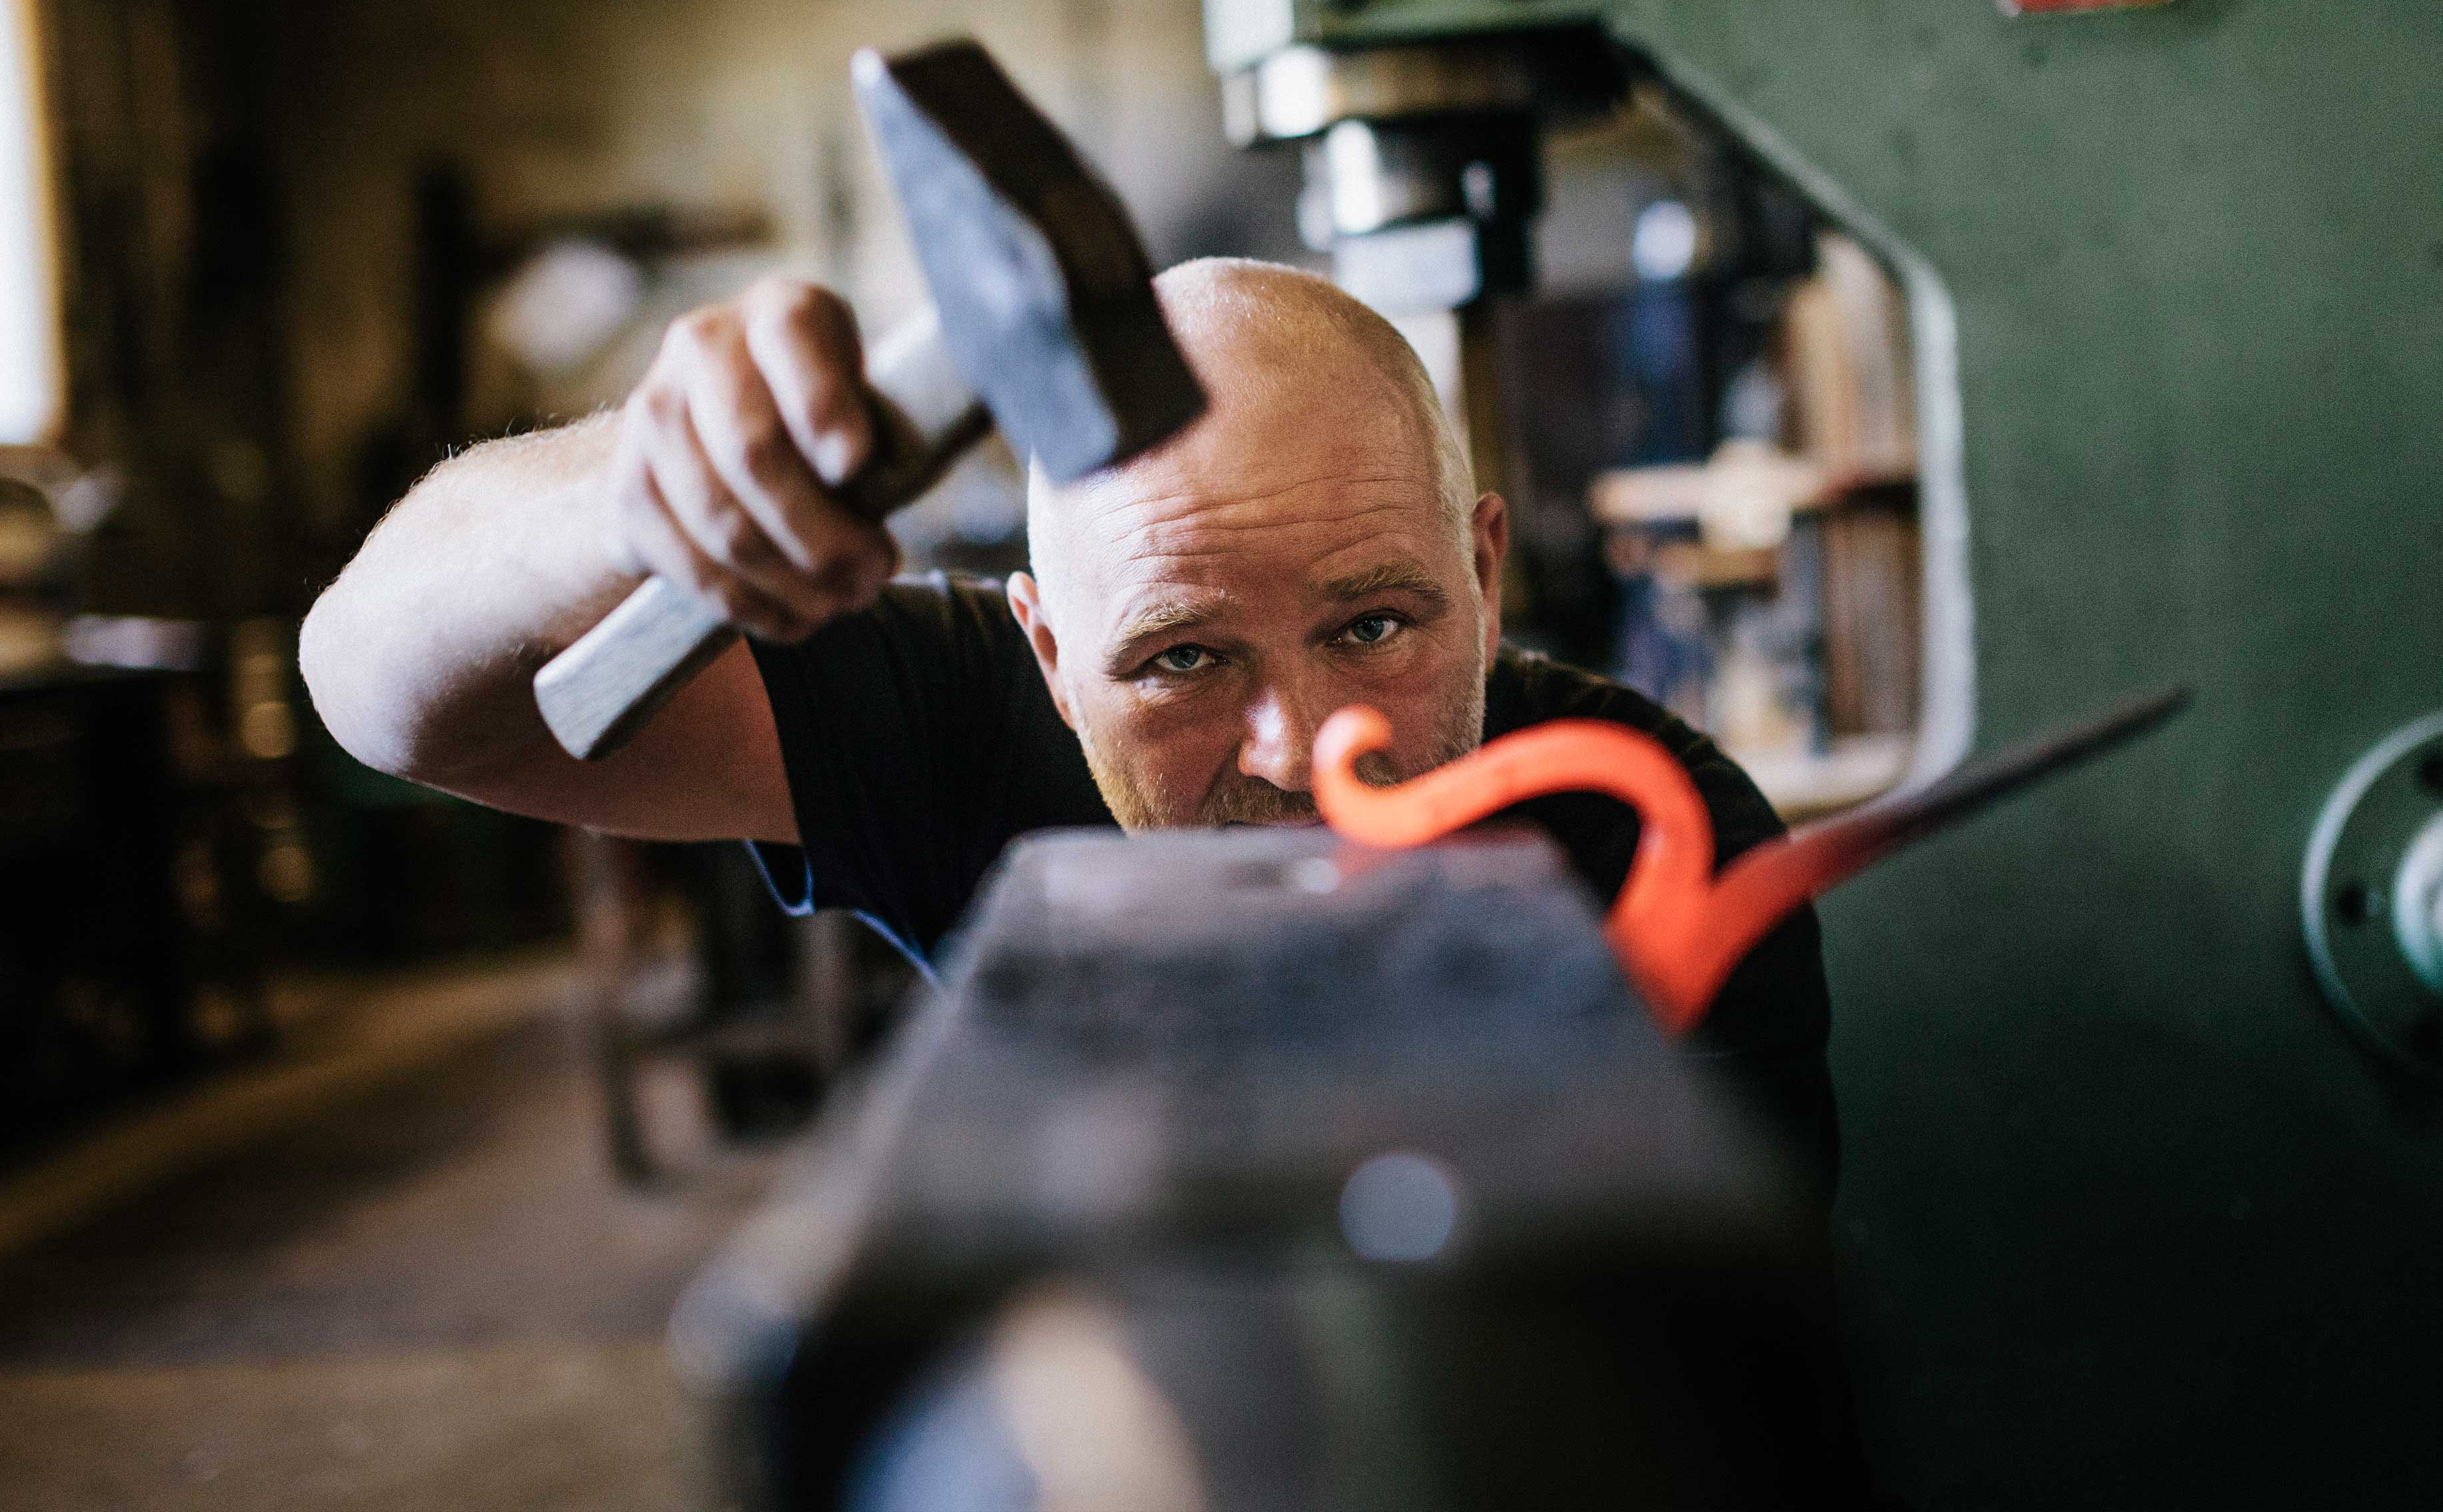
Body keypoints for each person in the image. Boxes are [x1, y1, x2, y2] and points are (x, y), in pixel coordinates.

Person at [301, 257, 1836, 1197]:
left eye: (1375, 625)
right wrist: (638, 489)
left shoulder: (1659, 829)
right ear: (1047, 649)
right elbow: (383, 690)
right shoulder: (962, 714)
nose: (1297, 746)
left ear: (1484, 577)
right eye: (1180, 659)